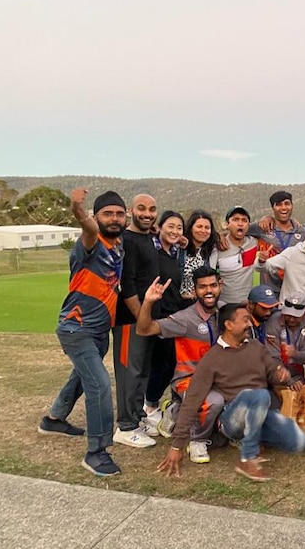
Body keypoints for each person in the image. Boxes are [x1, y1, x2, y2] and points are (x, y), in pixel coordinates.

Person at [156, 303, 305, 482]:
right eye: (245, 320)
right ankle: (248, 458)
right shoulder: (212, 359)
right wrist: (176, 446)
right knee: (258, 395)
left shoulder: (256, 347)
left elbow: (272, 375)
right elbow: (192, 401)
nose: (250, 325)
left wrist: (281, 376)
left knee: (300, 442)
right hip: (230, 420)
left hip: (259, 412)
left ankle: (252, 436)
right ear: (228, 325)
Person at [39, 188, 127, 477]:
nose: (114, 219)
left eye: (119, 213)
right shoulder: (90, 242)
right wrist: (78, 209)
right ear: (96, 217)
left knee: (82, 375)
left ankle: (54, 419)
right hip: (77, 329)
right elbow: (88, 228)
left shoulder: (119, 245)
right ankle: (96, 452)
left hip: (100, 330)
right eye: (107, 214)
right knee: (99, 384)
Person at [136, 267, 223, 463]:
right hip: (188, 379)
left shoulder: (224, 315)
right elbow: (144, 329)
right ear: (194, 290)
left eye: (213, 285)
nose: (208, 291)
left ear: (220, 286)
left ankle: (174, 412)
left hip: (216, 379)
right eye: (202, 287)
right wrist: (148, 302)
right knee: (215, 401)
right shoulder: (184, 318)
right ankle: (197, 440)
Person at [111, 193, 160, 449]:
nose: (147, 213)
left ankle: (136, 418)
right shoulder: (127, 240)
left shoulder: (148, 237)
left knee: (141, 371)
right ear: (131, 211)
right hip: (130, 319)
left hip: (145, 319)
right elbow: (126, 284)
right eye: (141, 209)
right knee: (129, 372)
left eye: (152, 209)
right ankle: (126, 427)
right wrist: (142, 316)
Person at [143, 211, 188, 433]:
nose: (175, 231)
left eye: (179, 228)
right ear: (158, 227)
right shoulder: (153, 249)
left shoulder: (174, 252)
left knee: (170, 365)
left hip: (175, 315)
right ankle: (149, 408)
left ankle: (151, 405)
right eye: (170, 226)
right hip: (158, 316)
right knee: (159, 365)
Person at [250, 190, 305, 291]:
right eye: (279, 204)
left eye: (287, 203)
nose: (284, 208)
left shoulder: (302, 231)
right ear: (273, 208)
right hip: (270, 292)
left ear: (292, 206)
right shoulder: (263, 227)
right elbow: (237, 231)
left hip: (294, 291)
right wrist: (221, 237)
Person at [265, 291, 305, 388]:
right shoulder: (274, 322)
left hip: (298, 372)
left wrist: (295, 353)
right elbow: (272, 357)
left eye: (296, 316)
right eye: (288, 315)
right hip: (277, 370)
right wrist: (289, 381)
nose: (291, 319)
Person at [212, 206, 259, 304]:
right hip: (225, 305)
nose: (240, 223)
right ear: (227, 224)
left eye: (244, 220)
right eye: (235, 220)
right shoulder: (218, 247)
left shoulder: (253, 242)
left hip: (248, 304)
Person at [180, 210, 219, 304]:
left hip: (203, 304)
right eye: (199, 227)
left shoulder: (212, 252)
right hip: (179, 304)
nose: (203, 231)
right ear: (190, 228)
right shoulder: (179, 250)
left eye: (207, 228)